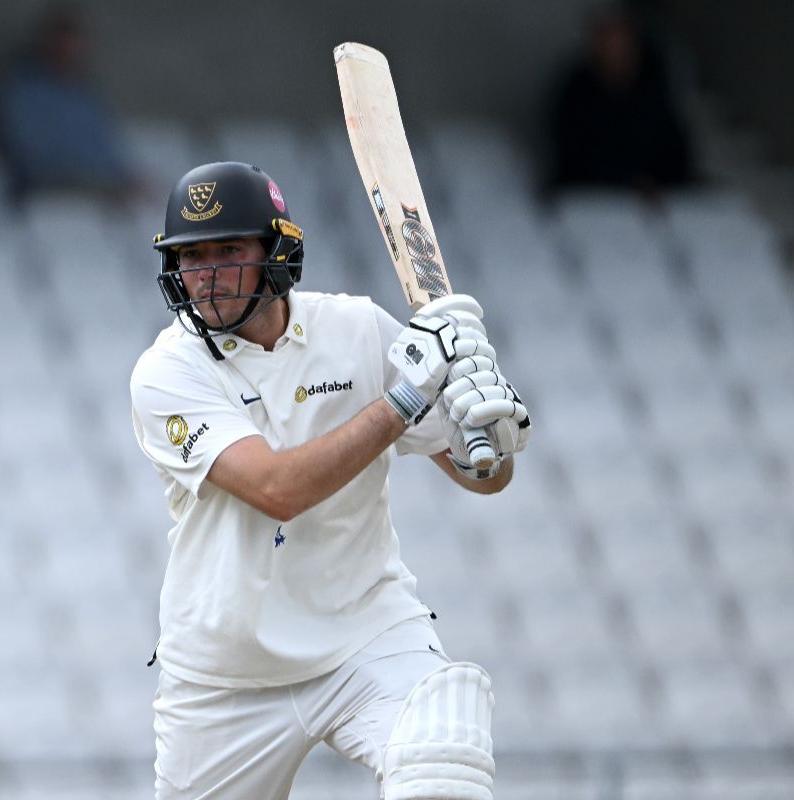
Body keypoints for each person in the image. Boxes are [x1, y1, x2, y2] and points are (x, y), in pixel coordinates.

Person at [129, 162, 532, 799]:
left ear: (277, 252)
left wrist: (486, 422)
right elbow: (277, 491)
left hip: (363, 633)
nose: (205, 275)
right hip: (227, 671)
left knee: (443, 758)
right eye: (191, 256)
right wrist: (405, 397)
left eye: (228, 249)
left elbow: (487, 478)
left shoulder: (356, 330)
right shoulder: (166, 372)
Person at [0, 4, 143, 208]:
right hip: (44, 194)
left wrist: (123, 178)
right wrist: (94, 178)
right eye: (63, 40)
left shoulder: (85, 94)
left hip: (95, 193)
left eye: (75, 41)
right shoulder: (19, 91)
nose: (70, 49)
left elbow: (106, 150)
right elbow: (30, 156)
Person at [546, 6, 695, 196]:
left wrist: (658, 180)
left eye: (621, 41)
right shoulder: (575, 93)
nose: (615, 49)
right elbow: (572, 152)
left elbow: (672, 145)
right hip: (593, 194)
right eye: (607, 40)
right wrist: (625, 179)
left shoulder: (653, 88)